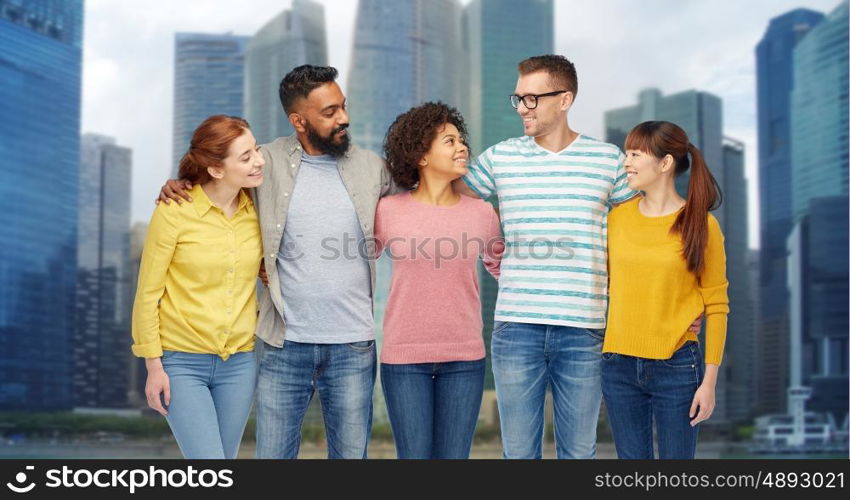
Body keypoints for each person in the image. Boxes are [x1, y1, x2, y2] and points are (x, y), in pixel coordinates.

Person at [452, 55, 701, 459]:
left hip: (585, 329)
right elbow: (449, 199)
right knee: (517, 455)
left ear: (564, 98)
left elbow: (648, 229)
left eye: (532, 99)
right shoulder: (500, 158)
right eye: (517, 99)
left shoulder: (607, 161)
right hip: (516, 327)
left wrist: (682, 298)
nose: (522, 108)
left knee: (579, 454)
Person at [158, 65, 399, 459]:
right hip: (282, 344)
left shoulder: (372, 167)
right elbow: (216, 184)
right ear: (298, 120)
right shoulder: (262, 162)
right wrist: (181, 182)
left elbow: (422, 195)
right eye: (329, 112)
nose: (344, 118)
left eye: (343, 106)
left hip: (353, 345)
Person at [375, 102, 503, 459]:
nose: (462, 147)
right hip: (404, 360)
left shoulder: (481, 213)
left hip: (465, 359)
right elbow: (356, 264)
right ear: (421, 155)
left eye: (462, 140)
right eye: (449, 141)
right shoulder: (387, 211)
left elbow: (502, 269)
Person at [132, 115, 264, 459]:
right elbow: (148, 293)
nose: (259, 161)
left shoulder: (259, 211)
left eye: (257, 149)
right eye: (246, 156)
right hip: (180, 363)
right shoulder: (174, 210)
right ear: (217, 169)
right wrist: (153, 367)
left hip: (240, 362)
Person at [601, 120, 728, 459]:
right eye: (627, 153)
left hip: (677, 365)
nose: (626, 162)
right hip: (617, 365)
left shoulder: (701, 224)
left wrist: (710, 382)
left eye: (635, 154)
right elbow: (605, 284)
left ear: (665, 163)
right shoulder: (615, 219)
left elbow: (716, 305)